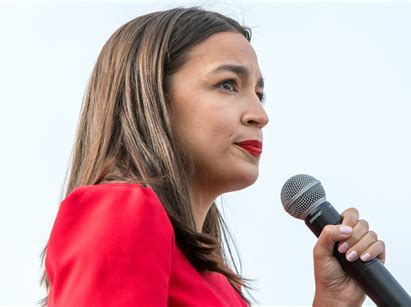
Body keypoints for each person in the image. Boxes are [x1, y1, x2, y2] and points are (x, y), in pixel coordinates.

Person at [39, 6, 386, 306]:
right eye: (227, 85)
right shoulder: (120, 210)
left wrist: (333, 303)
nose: (258, 115)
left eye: (259, 95)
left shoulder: (219, 282)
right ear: (153, 97)